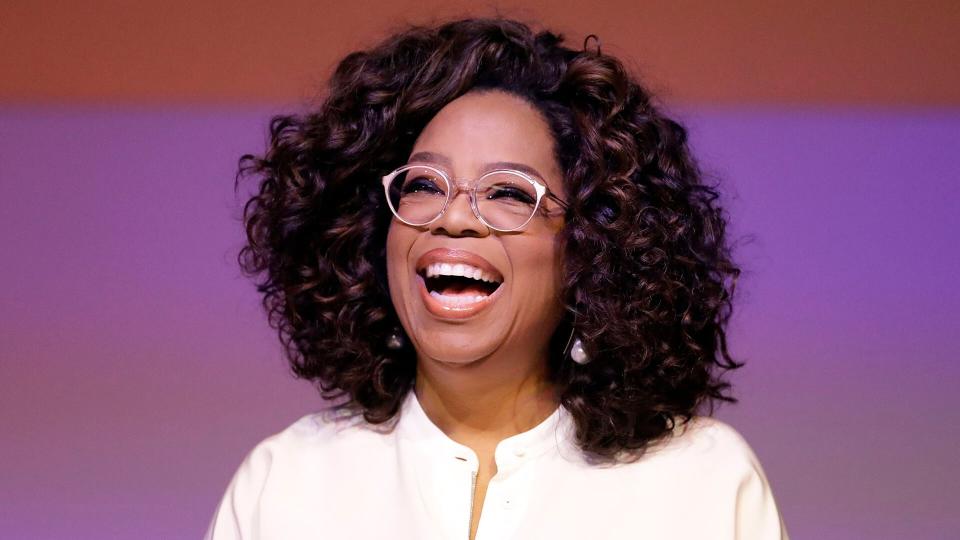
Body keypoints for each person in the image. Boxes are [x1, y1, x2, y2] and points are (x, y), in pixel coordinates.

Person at [205, 16, 789, 540]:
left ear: (594, 244)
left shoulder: (702, 484)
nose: (454, 217)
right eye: (424, 185)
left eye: (507, 193)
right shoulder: (285, 485)